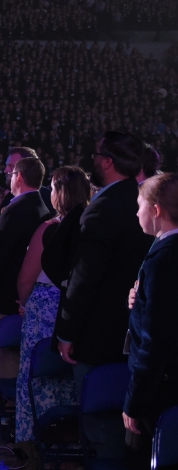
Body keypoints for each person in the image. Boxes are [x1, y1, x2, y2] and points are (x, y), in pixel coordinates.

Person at [54, 131, 153, 460]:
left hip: (98, 337)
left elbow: (85, 278)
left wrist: (67, 332)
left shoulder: (103, 207)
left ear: (107, 162)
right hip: (135, 334)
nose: (92, 160)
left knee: (100, 429)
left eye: (96, 155)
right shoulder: (139, 200)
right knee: (128, 429)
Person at [14, 166, 89, 442]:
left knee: (35, 378)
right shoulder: (91, 227)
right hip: (76, 310)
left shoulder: (49, 228)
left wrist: (25, 303)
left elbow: (25, 279)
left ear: (58, 193)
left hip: (43, 307)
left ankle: (32, 444)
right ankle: (67, 445)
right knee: (69, 381)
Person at [123, 173, 178, 468]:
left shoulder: (164, 259)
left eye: (139, 205)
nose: (136, 212)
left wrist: (135, 401)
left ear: (156, 210)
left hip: (159, 388)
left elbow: (155, 338)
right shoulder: (163, 252)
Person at [0, 156, 51, 385]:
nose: (9, 177)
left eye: (12, 174)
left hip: (9, 292)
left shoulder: (15, 209)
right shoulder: (43, 207)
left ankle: (12, 405)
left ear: (19, 177)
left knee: (7, 352)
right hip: (31, 291)